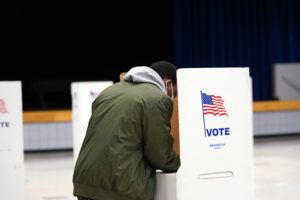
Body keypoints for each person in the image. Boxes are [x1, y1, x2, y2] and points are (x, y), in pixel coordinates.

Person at [73, 61, 181, 200]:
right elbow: (159, 154)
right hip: (120, 187)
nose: (173, 98)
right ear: (168, 82)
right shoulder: (157, 98)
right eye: (175, 93)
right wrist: (183, 165)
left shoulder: (111, 91)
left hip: (85, 182)